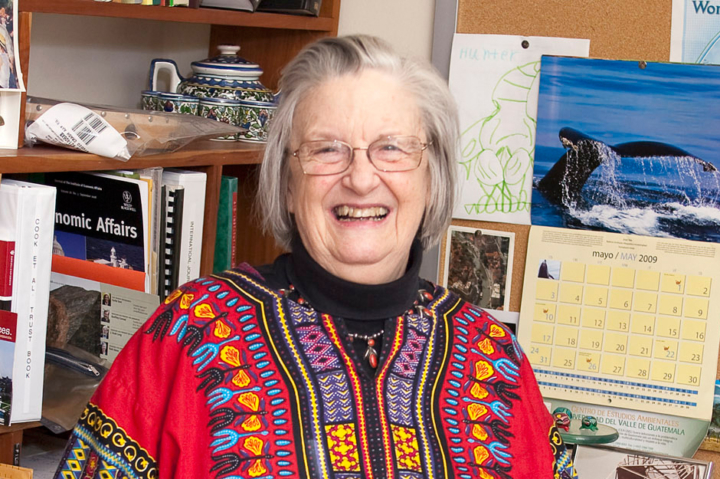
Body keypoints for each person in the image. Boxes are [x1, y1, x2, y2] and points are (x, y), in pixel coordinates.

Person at [54, 35, 576, 479]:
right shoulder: (191, 332)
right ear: (287, 183)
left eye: (392, 148)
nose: (361, 178)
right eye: (327, 149)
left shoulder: (494, 355)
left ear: (432, 178)